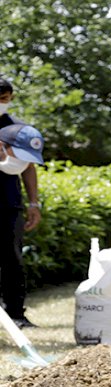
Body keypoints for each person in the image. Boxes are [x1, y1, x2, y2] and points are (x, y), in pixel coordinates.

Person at [0, 78, 44, 329]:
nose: (1, 104)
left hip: (8, 202)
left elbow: (29, 167)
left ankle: (16, 314)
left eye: (4, 99)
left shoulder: (18, 129)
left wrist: (34, 203)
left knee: (12, 258)